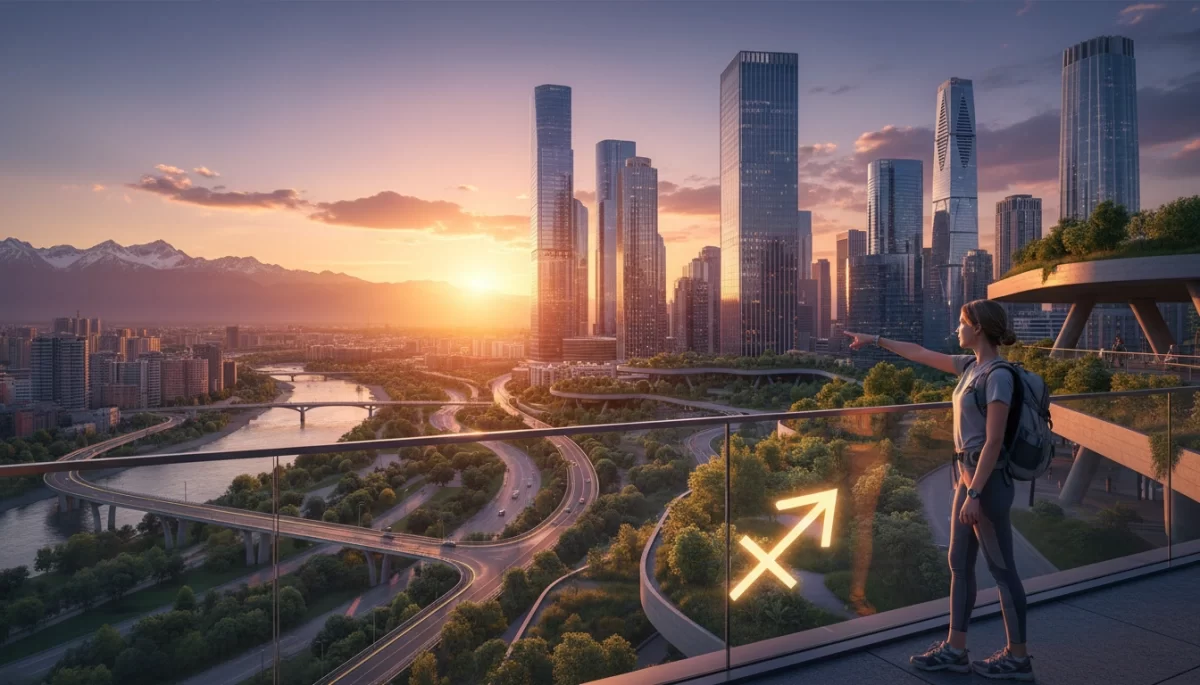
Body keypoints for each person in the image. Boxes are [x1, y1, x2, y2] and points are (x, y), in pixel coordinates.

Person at [845, 299, 1033, 681]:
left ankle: (1019, 660)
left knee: (1002, 570)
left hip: (988, 483)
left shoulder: (997, 375)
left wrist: (976, 493)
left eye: (963, 323)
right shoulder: (969, 367)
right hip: (967, 480)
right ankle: (956, 650)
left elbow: (994, 441)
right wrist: (875, 339)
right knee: (959, 565)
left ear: (978, 328)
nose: (958, 328)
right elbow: (920, 354)